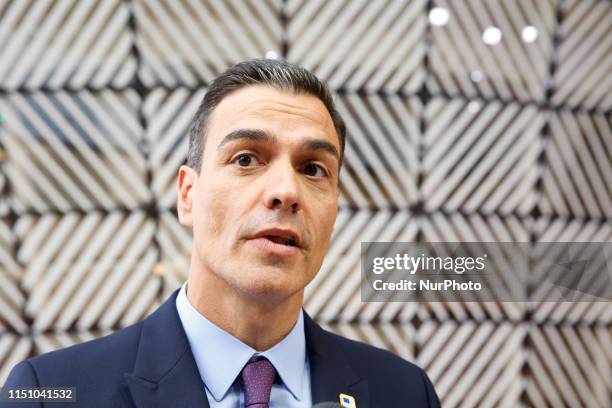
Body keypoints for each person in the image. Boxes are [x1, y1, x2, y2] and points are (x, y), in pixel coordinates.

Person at [1, 59, 440, 408]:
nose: (286, 192)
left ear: (335, 211)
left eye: (312, 169)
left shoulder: (403, 393)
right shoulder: (52, 392)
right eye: (247, 159)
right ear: (188, 195)